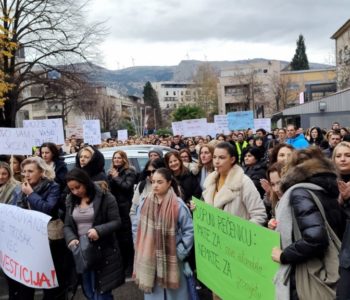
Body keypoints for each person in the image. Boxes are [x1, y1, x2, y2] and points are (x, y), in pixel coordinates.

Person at [272, 147, 345, 300]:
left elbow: (316, 237)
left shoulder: (300, 193)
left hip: (308, 272)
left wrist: (285, 255)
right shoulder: (326, 190)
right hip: (331, 266)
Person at [132, 168, 194, 299]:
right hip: (149, 258)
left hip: (172, 259)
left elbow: (189, 230)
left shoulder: (178, 204)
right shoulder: (144, 202)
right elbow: (136, 227)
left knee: (174, 295)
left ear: (169, 183)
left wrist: (179, 252)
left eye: (160, 182)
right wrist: (139, 247)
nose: (155, 185)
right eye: (153, 181)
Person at [64, 168, 124, 300]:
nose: (75, 192)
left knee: (102, 293)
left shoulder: (105, 196)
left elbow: (117, 221)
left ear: (85, 182)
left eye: (78, 187)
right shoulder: (70, 199)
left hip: (104, 251)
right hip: (82, 253)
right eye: (72, 189)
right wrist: (71, 239)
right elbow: (67, 225)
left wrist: (99, 230)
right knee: (89, 292)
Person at [11, 157, 65, 300]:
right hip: (28, 239)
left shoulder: (53, 187)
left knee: (49, 280)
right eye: (24, 172)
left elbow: (48, 209)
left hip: (49, 240)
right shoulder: (21, 188)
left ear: (41, 172)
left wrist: (31, 194)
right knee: (27, 280)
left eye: (30, 171)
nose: (26, 175)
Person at [201, 142, 267, 224]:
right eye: (214, 157)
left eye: (221, 157)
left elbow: (259, 215)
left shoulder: (243, 182)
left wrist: (241, 234)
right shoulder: (210, 181)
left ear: (232, 159)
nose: (216, 162)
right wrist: (198, 209)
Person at [107, 150, 137, 277]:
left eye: (119, 158)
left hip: (125, 209)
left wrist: (116, 177)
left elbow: (126, 187)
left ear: (124, 159)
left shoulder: (129, 172)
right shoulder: (112, 172)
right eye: (115, 158)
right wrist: (111, 178)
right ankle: (122, 264)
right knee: (118, 238)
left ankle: (130, 264)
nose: (117, 160)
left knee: (127, 239)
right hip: (114, 209)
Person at [332, 142, 350, 299]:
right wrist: (341, 200)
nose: (343, 159)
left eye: (348, 155)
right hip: (334, 248)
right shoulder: (327, 183)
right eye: (338, 156)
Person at [129, 158, 166, 224]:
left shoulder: (170, 186)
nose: (151, 175)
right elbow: (133, 211)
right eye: (148, 172)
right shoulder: (142, 185)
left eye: (154, 171)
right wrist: (137, 230)